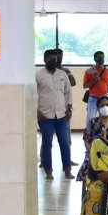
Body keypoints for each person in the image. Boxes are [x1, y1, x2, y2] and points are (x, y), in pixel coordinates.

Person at [36, 49, 75, 181]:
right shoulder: (38, 76)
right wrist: (37, 112)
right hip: (45, 116)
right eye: (50, 59)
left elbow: (68, 92)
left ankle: (67, 170)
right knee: (47, 144)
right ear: (44, 60)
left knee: (64, 143)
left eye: (55, 59)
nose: (54, 61)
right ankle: (48, 172)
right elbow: (31, 96)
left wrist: (69, 109)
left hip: (61, 116)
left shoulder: (63, 74)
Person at [75, 95, 108, 193]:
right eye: (102, 105)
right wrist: (92, 152)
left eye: (107, 105)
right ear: (98, 108)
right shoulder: (92, 122)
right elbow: (86, 140)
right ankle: (87, 195)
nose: (105, 107)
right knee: (88, 164)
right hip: (93, 153)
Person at [82, 50, 108, 118]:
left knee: (105, 117)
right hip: (93, 98)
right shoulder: (89, 71)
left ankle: (104, 129)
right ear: (94, 59)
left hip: (104, 99)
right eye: (99, 57)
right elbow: (84, 86)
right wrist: (93, 81)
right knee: (90, 119)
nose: (101, 59)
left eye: (103, 57)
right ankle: (90, 129)